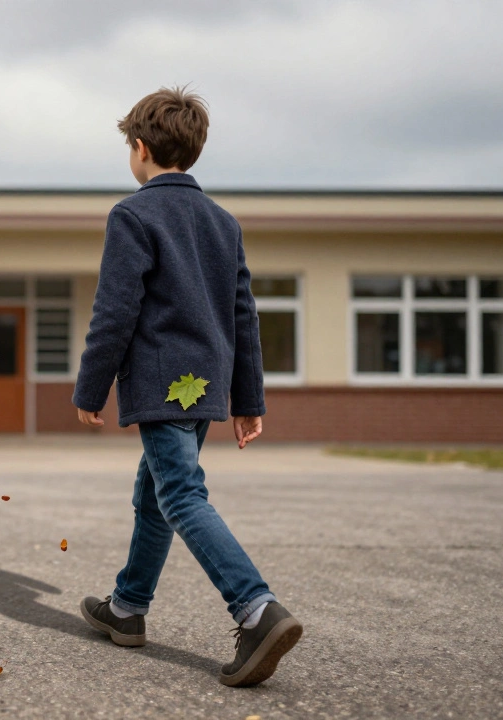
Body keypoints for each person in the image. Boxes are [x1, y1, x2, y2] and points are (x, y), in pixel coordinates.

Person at [73, 86, 302, 687]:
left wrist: (90, 388)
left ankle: (256, 609)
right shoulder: (223, 222)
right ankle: (128, 607)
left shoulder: (133, 214)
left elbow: (115, 311)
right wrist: (248, 400)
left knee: (179, 495)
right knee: (156, 492)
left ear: (140, 148)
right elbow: (243, 315)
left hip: (159, 382)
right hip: (204, 387)